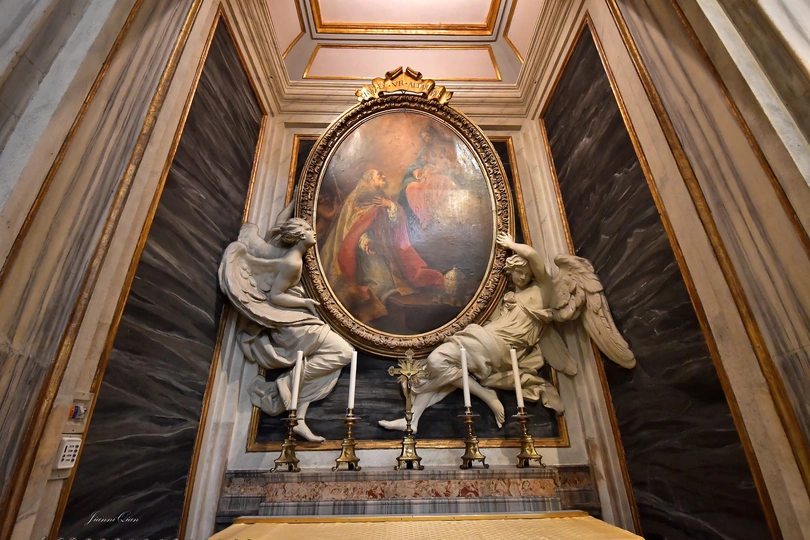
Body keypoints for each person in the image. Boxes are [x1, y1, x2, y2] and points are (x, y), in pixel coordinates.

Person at [379, 231, 636, 433]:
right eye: (514, 274)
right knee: (435, 371)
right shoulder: (515, 296)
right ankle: (412, 420)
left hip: (497, 344)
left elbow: (534, 257)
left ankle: (486, 396)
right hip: (488, 340)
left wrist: (512, 244)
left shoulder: (545, 291)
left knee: (436, 361)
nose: (518, 278)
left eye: (521, 272)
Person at [219, 202, 353, 442]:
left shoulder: (281, 251)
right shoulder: (292, 263)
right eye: (308, 230)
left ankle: (298, 418)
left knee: (329, 363)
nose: (313, 233)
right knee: (343, 352)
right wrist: (305, 303)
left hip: (295, 319)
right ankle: (282, 385)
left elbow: (281, 224)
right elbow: (275, 296)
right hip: (291, 322)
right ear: (300, 237)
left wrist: (297, 198)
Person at [319, 168, 444, 323]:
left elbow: (395, 222)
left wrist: (390, 205)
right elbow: (354, 230)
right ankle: (378, 310)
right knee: (380, 282)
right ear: (370, 180)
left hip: (386, 248)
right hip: (368, 253)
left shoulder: (383, 199)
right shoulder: (358, 202)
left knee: (389, 281)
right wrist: (365, 242)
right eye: (378, 175)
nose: (383, 176)